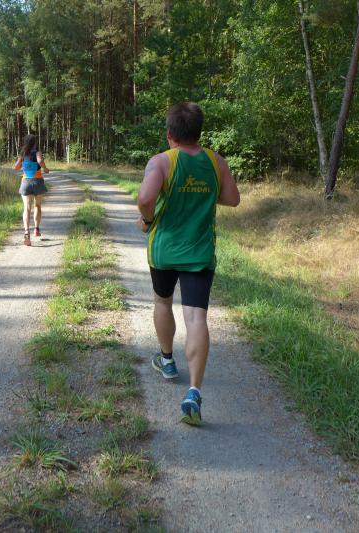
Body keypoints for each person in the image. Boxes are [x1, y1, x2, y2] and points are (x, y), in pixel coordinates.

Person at [136, 102, 240, 426]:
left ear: (170, 135)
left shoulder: (161, 162)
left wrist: (147, 219)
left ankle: (167, 360)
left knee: (162, 302)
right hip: (199, 251)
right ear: (199, 133)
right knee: (196, 317)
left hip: (164, 250)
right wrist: (203, 193)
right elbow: (232, 198)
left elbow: (145, 199)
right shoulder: (215, 161)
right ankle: (194, 391)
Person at [14, 134, 50, 246]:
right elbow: (40, 161)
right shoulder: (37, 152)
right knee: (37, 205)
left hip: (26, 182)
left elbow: (16, 167)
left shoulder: (23, 154)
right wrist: (45, 169)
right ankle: (36, 229)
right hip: (38, 182)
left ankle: (26, 233)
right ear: (34, 143)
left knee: (27, 207)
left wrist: (23, 164)